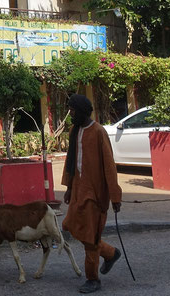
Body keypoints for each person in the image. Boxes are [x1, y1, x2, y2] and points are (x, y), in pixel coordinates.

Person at [61, 94, 123, 293]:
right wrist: (69, 188)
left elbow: (109, 167)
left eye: (72, 110)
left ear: (81, 111)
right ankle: (110, 253)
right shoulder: (74, 130)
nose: (70, 114)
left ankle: (93, 279)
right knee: (71, 226)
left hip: (95, 194)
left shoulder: (98, 132)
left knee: (90, 237)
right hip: (78, 189)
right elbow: (71, 162)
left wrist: (115, 196)